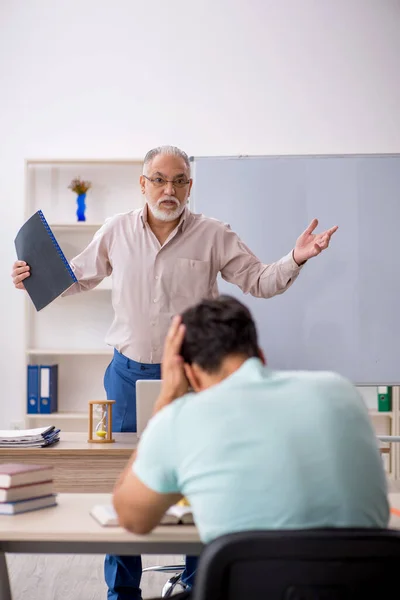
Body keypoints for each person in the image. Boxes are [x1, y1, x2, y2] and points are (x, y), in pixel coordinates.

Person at [11, 146, 338, 600]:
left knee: (198, 472)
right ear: (142, 183)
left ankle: (195, 584)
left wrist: (297, 257)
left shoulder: (213, 234)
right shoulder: (115, 230)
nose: (170, 189)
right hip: (126, 374)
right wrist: (33, 275)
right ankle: (122, 591)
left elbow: (260, 281)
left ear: (190, 185)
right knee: (124, 477)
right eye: (160, 179)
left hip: (194, 375)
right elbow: (75, 278)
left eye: (180, 180)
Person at [113, 295, 389, 600]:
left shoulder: (181, 417)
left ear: (189, 373)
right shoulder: (341, 391)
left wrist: (165, 402)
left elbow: (132, 518)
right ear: (260, 354)